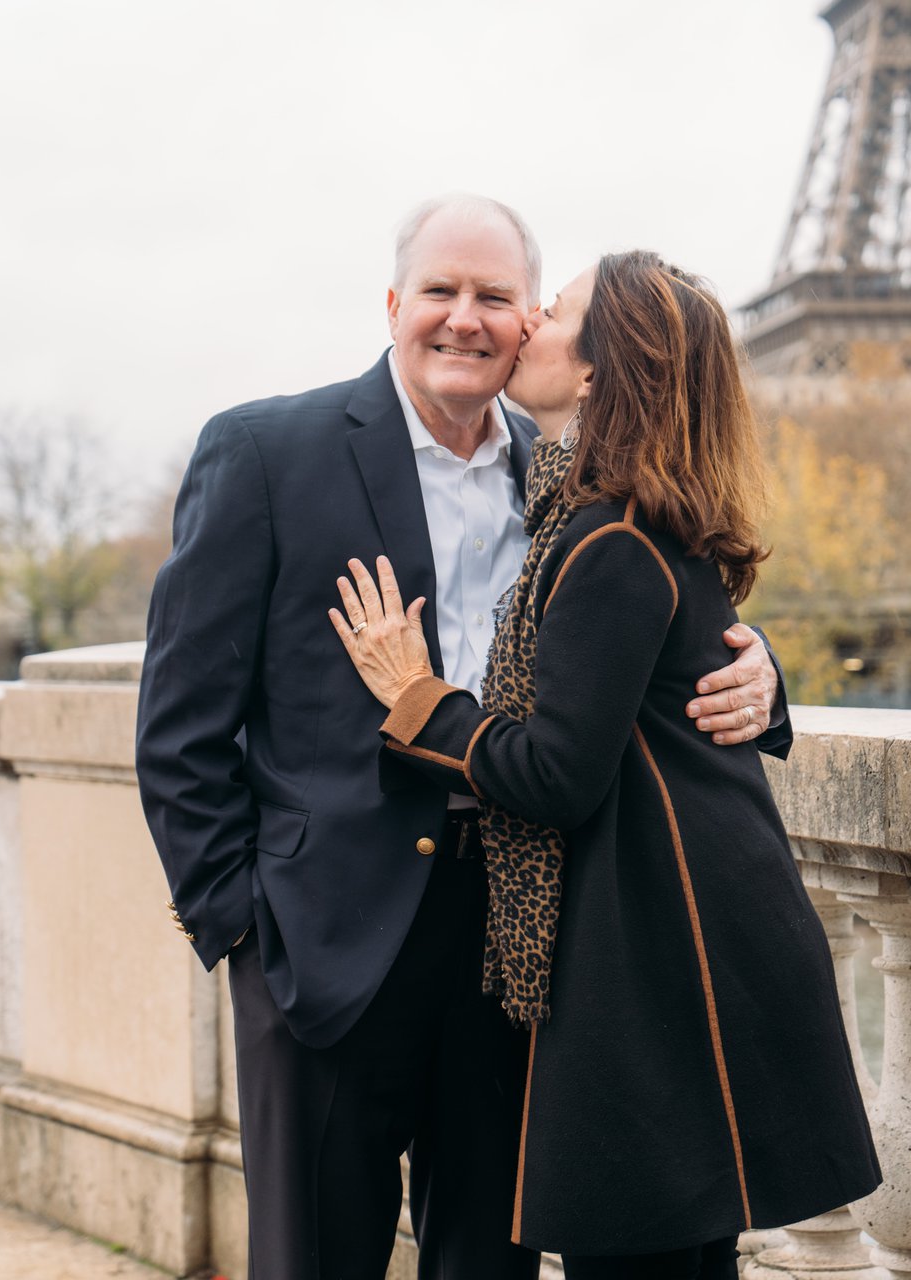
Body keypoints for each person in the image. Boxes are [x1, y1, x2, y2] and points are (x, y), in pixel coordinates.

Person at [135, 196, 789, 1280]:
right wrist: (243, 927)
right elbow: (179, 721)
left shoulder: (568, 466)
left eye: (496, 296)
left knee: (489, 1262)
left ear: (531, 320)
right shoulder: (264, 452)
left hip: (520, 950)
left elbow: (652, 606)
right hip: (321, 942)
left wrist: (760, 664)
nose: (465, 317)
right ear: (395, 303)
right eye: (440, 290)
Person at [330, 250, 881, 1279]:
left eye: (555, 312)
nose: (528, 322)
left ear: (596, 371)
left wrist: (418, 697)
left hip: (658, 963)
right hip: (687, 943)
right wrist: (765, 677)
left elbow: (556, 773)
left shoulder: (606, 536)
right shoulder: (617, 519)